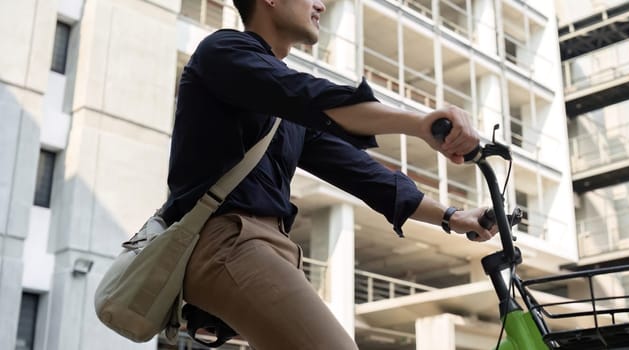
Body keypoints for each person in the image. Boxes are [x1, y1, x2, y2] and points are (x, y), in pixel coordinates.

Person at [163, 0, 498, 348]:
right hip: (227, 242)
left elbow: (364, 174)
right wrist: (420, 124)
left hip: (265, 247)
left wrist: (453, 217)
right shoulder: (223, 51)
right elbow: (310, 96)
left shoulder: (285, 111)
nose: (321, 5)